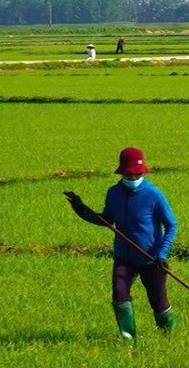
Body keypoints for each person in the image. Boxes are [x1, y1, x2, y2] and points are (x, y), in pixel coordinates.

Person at [64, 146, 177, 341]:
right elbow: (106, 220)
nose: (132, 178)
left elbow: (171, 225)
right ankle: (129, 339)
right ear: (122, 172)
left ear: (143, 172)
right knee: (119, 293)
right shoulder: (114, 193)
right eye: (128, 174)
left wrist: (162, 254)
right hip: (124, 258)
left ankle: (168, 337)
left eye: (136, 174)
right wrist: (82, 210)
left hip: (151, 259)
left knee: (158, 301)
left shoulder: (154, 195)